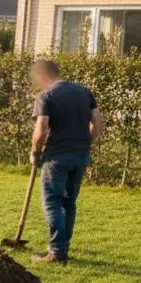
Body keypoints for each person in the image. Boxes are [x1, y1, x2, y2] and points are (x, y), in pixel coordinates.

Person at [28, 59, 103, 265]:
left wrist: (35, 152)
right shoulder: (84, 92)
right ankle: (61, 244)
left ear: (43, 77)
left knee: (53, 202)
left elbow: (41, 129)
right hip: (80, 155)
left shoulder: (45, 95)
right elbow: (97, 122)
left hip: (57, 156)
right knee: (69, 202)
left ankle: (57, 252)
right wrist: (87, 142)